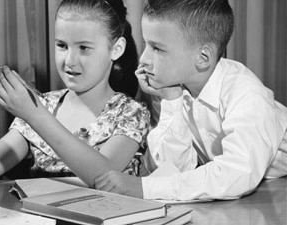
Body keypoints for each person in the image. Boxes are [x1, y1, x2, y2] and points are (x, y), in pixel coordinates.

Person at [93, 0, 287, 201]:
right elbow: (175, 169)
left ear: (203, 57)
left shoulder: (247, 95)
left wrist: (144, 187)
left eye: (157, 49)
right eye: (146, 44)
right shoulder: (177, 87)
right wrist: (171, 100)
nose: (144, 59)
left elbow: (238, 174)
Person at [0, 0, 150, 183]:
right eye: (62, 46)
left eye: (84, 48)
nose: (70, 61)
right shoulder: (43, 105)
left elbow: (105, 178)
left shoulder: (131, 113)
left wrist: (34, 115)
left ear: (116, 49)